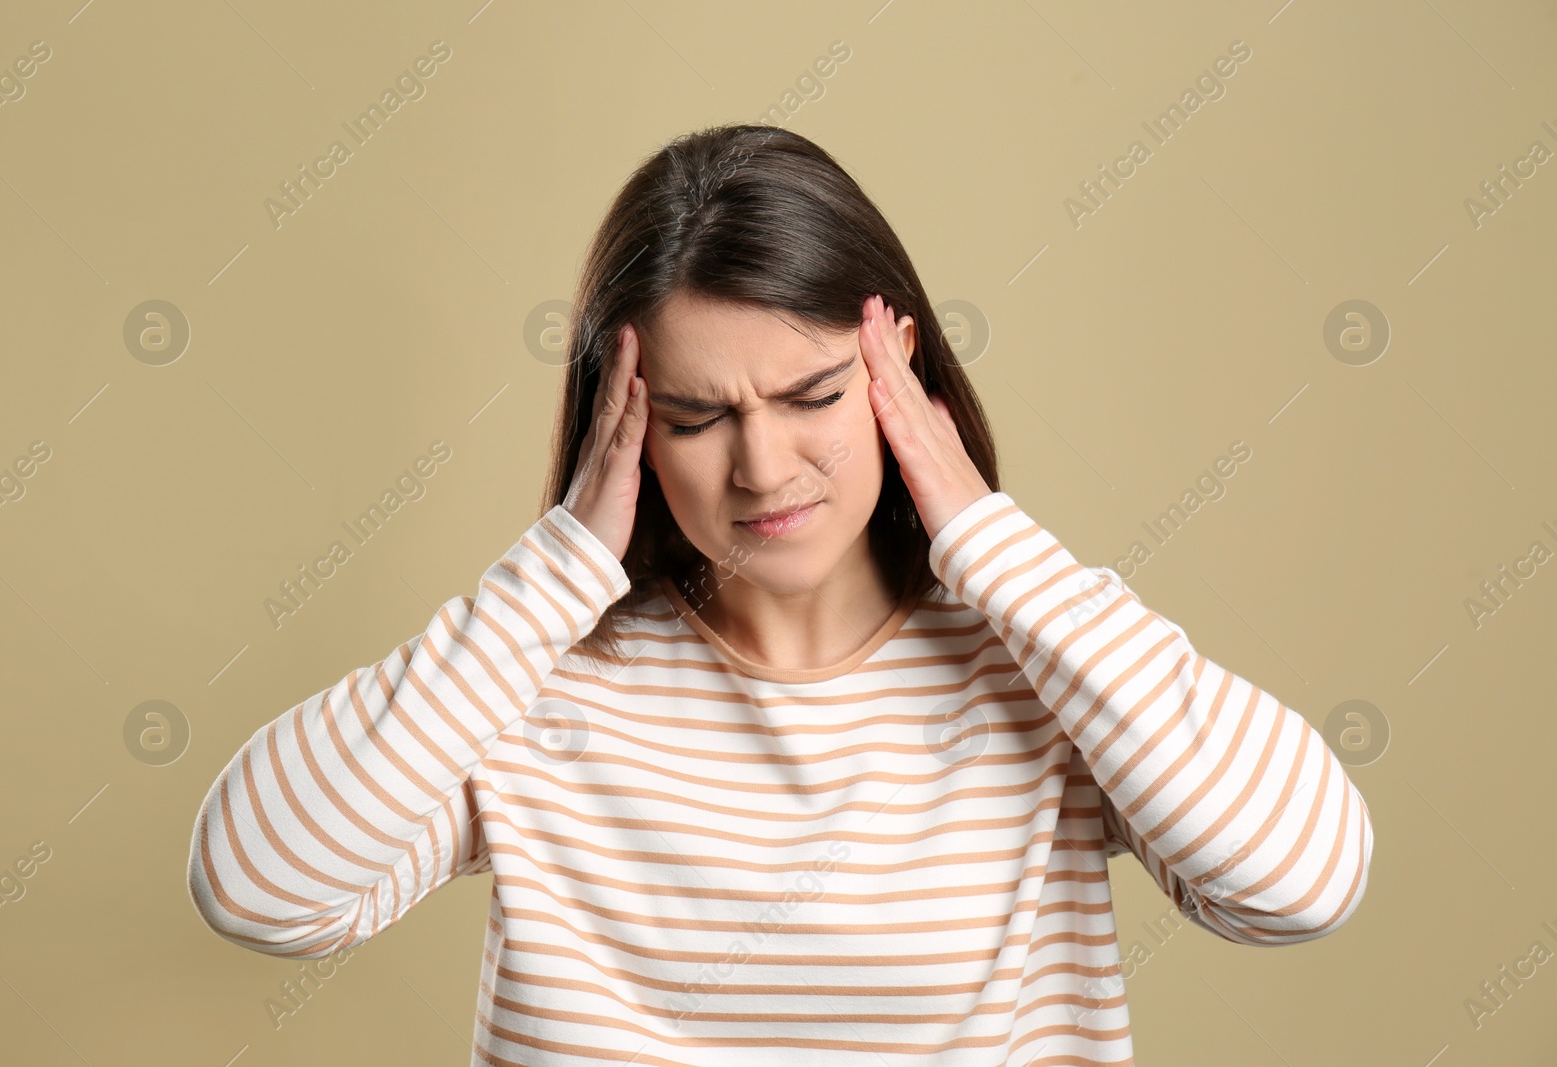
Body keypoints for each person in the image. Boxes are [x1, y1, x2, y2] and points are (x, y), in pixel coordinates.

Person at [187, 123, 1374, 1066]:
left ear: (895, 363)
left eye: (811, 396)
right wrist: (551, 576)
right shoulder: (527, 685)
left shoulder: (1048, 674)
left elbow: (1302, 880)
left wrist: (988, 541)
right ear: (629, 420)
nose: (761, 468)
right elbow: (257, 886)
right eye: (698, 418)